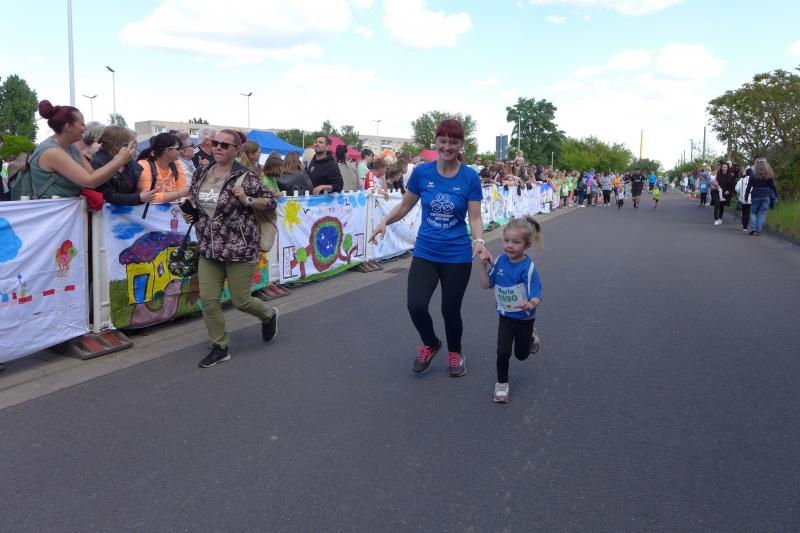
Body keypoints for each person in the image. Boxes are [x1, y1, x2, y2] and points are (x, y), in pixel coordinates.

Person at [368, 119, 489, 377]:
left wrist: (479, 241)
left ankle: (455, 352)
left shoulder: (470, 177)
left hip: (457, 255)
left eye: (453, 142)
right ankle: (431, 343)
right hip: (426, 252)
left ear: (461, 145)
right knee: (416, 305)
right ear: (436, 142)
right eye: (443, 141)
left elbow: (475, 217)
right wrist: (384, 221)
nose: (447, 147)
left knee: (450, 310)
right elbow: (405, 205)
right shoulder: (422, 173)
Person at [183, 129, 279, 368]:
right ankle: (220, 346)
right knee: (208, 300)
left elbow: (271, 201)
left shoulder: (246, 177)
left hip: (240, 248)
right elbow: (196, 200)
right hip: (209, 248)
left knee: (241, 301)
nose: (218, 147)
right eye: (216, 143)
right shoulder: (201, 173)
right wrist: (191, 212)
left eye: (225, 145)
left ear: (236, 150)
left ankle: (268, 315)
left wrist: (247, 199)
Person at [11, 100, 136, 200]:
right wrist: (119, 160)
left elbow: (93, 175)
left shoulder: (71, 147)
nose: (85, 128)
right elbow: (90, 181)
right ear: (68, 127)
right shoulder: (51, 152)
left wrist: (118, 160)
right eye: (82, 124)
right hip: (50, 216)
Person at [478, 216, 543, 403]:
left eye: (515, 242)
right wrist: (483, 265)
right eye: (506, 240)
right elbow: (486, 284)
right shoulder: (499, 261)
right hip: (505, 316)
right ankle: (501, 384)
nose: (509, 245)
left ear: (526, 245)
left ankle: (530, 337)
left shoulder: (528, 268)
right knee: (503, 352)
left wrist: (530, 303)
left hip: (524, 318)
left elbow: (536, 295)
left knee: (521, 355)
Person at [91, 126, 155, 206]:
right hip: (108, 213)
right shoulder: (97, 163)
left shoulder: (129, 161)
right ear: (117, 146)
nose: (133, 148)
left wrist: (141, 194)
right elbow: (106, 196)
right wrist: (138, 197)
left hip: (128, 212)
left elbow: (134, 189)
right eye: (129, 144)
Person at [137, 132, 189, 204]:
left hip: (172, 209)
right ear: (168, 150)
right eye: (178, 148)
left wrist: (180, 195)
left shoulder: (176, 164)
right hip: (151, 210)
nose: (181, 151)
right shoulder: (145, 165)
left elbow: (181, 191)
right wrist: (178, 194)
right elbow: (147, 197)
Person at [744, 157, 778, 236]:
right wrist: (776, 196)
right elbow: (773, 187)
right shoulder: (769, 176)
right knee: (762, 213)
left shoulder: (752, 176)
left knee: (753, 212)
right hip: (766, 196)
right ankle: (758, 230)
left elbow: (748, 187)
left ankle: (753, 228)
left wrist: (746, 197)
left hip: (755, 196)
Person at [712, 161, 735, 225]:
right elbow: (714, 182)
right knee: (716, 205)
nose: (724, 168)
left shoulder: (730, 176)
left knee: (721, 206)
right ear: (721, 168)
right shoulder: (718, 175)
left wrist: (729, 191)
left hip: (725, 193)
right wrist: (714, 185)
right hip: (717, 191)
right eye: (723, 167)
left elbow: (732, 185)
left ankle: (720, 218)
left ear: (727, 168)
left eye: (725, 167)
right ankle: (716, 220)